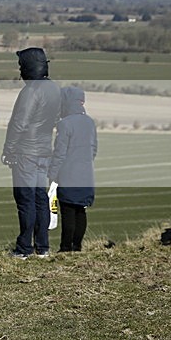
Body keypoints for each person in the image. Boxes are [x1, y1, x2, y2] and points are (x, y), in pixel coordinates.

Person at [1, 47, 61, 259]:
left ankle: (24, 248)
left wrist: (9, 149)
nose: (19, 70)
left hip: (25, 152)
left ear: (28, 67)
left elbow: (20, 123)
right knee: (40, 199)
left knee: (25, 200)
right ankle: (42, 247)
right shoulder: (54, 88)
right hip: (44, 151)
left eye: (21, 66)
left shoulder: (30, 91)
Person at [48, 86, 97, 252]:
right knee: (81, 210)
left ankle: (65, 248)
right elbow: (94, 149)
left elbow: (59, 153)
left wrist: (52, 174)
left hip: (68, 174)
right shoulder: (90, 122)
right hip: (86, 175)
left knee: (67, 211)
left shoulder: (65, 124)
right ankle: (77, 246)